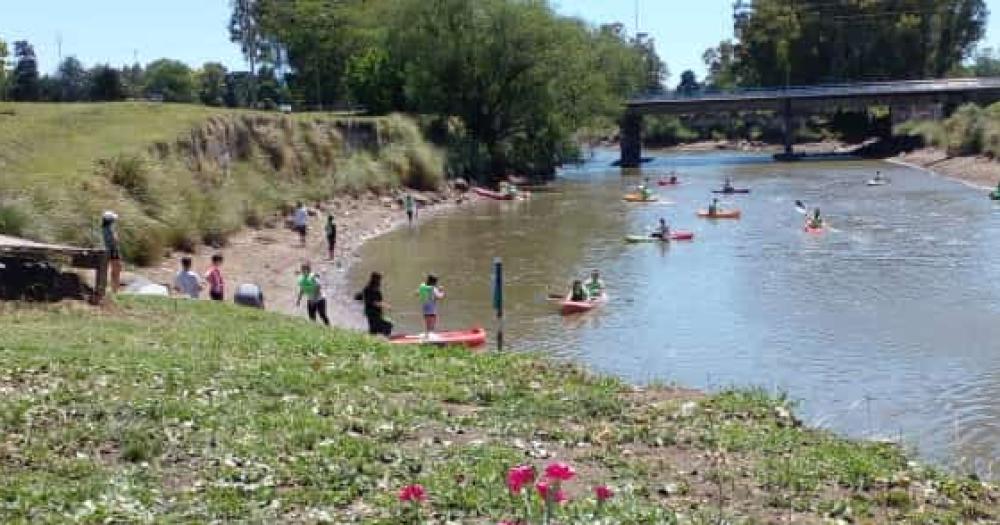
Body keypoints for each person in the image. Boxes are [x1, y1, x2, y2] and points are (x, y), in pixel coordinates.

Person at [355, 272, 392, 336]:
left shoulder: (374, 289)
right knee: (387, 326)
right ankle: (385, 340)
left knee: (374, 330)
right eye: (379, 279)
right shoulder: (368, 289)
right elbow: (372, 302)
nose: (380, 281)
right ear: (375, 279)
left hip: (376, 313)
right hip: (371, 313)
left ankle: (373, 340)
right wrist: (384, 305)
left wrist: (384, 305)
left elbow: (360, 297)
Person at [101, 211, 122, 292]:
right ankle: (115, 289)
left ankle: (114, 288)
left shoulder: (104, 228)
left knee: (114, 269)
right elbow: (115, 241)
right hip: (113, 250)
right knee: (117, 269)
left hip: (109, 250)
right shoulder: (109, 229)